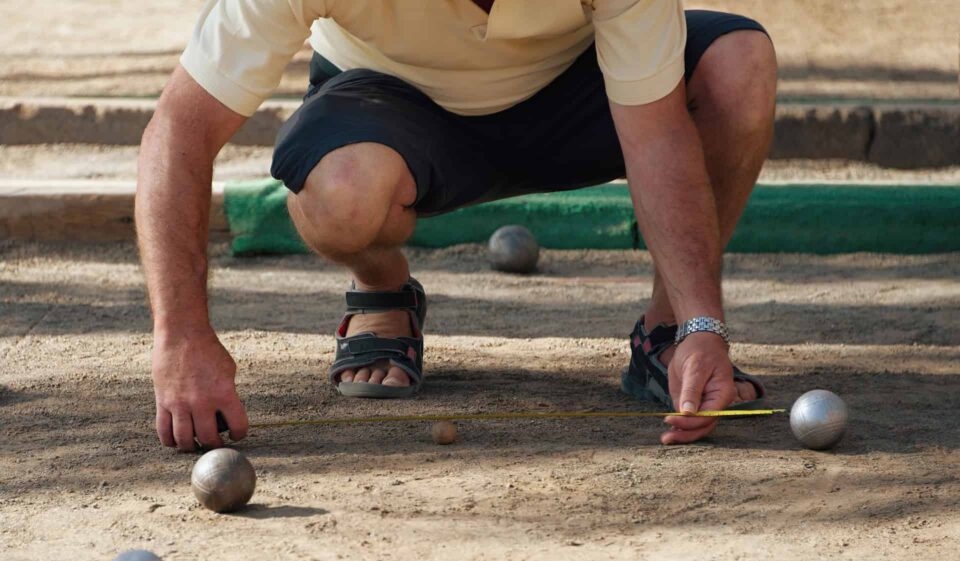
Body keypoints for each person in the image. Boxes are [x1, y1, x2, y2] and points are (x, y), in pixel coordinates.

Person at [135, 0, 777, 452]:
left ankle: (667, 338)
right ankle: (383, 292)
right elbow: (179, 132)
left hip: (575, 87)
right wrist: (181, 337)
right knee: (341, 195)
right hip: (389, 98)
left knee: (737, 63)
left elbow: (658, 136)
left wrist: (702, 320)